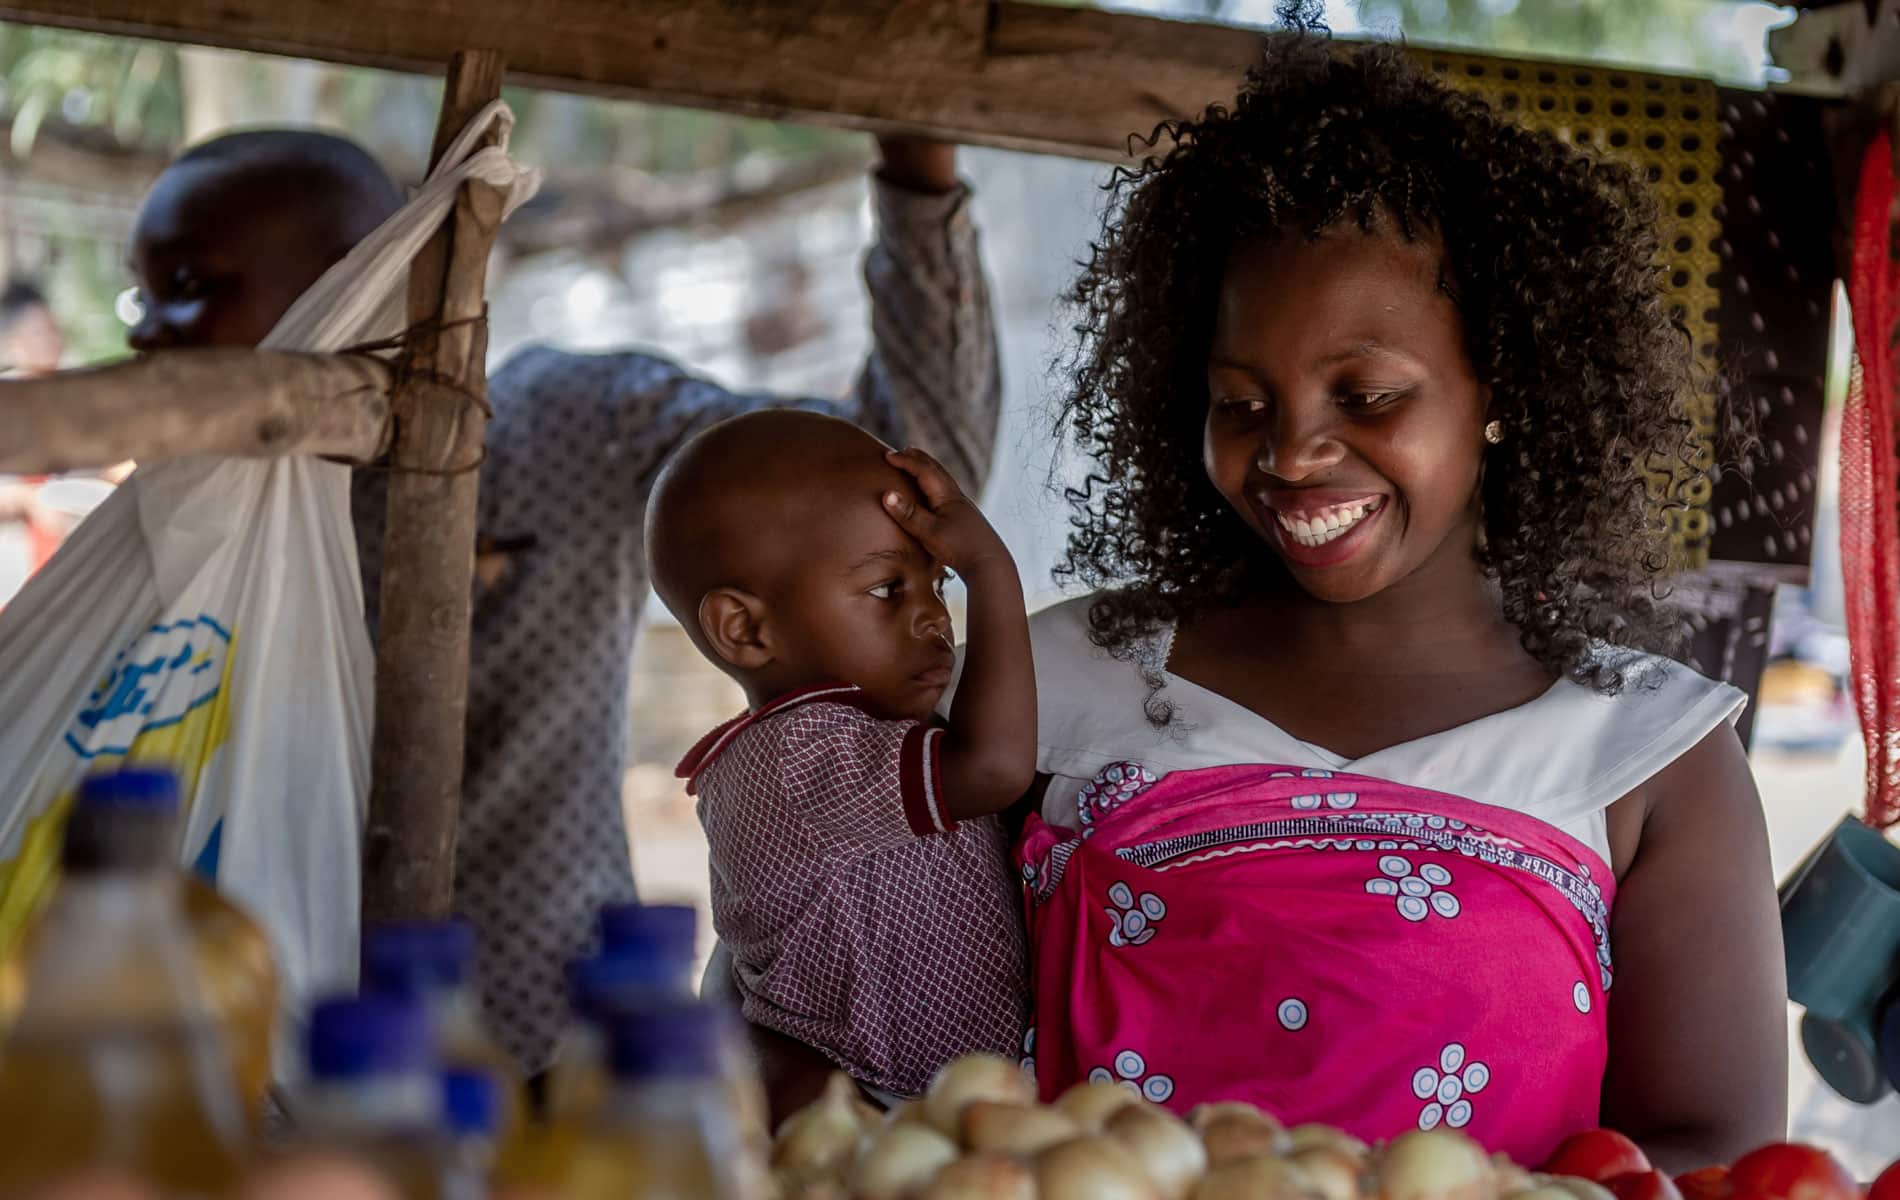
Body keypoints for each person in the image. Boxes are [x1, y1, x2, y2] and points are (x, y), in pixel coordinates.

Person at [721, 32, 1786, 1166]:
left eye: (1366, 393)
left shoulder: (1648, 755)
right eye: (1239, 402)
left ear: (1506, 384)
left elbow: (1709, 1148)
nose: (1293, 452)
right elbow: (823, 1001)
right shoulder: (1053, 687)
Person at [125, 126, 1003, 1079]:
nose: (142, 333)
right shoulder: (177, 533)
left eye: (190, 286)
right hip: (270, 1056)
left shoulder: (571, 427)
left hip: (555, 1046)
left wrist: (918, 179)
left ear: (366, 286)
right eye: (144, 293)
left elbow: (907, 474)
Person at [648, 411, 1032, 1100]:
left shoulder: (854, 731)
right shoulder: (795, 755)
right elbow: (997, 769)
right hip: (872, 1116)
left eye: (939, 583)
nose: (935, 617)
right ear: (744, 629)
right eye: (889, 589)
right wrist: (991, 570)